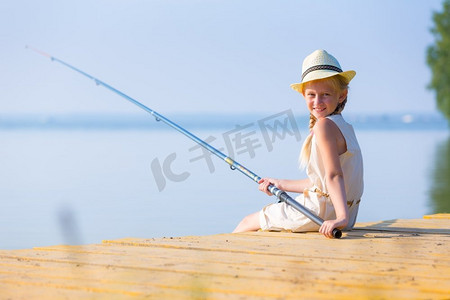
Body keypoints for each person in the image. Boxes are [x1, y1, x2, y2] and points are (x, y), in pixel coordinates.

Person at [232, 49, 363, 238]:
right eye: (311, 95)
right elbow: (322, 182)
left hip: (323, 213)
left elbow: (335, 176)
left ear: (341, 95)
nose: (317, 101)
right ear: (303, 95)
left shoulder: (324, 126)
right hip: (346, 214)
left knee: (248, 222)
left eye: (325, 94)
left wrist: (340, 218)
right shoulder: (345, 127)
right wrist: (279, 184)